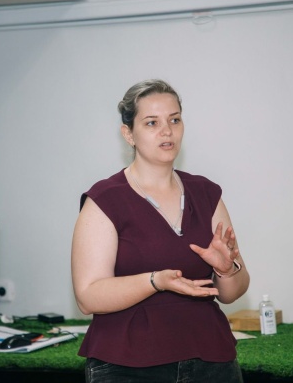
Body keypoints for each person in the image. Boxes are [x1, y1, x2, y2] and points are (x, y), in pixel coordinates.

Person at [71, 79, 250, 383]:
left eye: (174, 120)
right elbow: (88, 296)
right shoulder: (105, 200)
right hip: (127, 367)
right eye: (152, 122)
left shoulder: (206, 193)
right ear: (128, 133)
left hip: (210, 361)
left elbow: (232, 293)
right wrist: (156, 281)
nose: (167, 131)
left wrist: (226, 270)